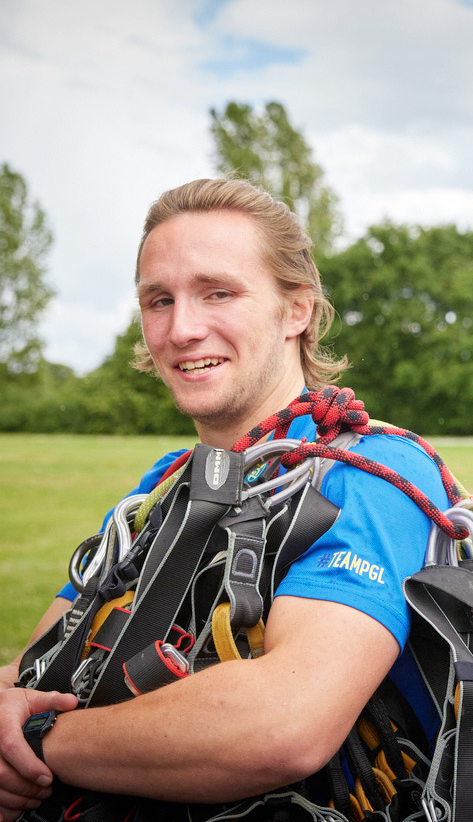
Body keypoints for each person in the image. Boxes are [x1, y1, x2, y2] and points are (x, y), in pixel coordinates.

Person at [0, 178, 449, 821]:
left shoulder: (372, 473)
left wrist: (37, 747)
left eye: (219, 293)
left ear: (296, 310)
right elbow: (43, 660)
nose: (182, 328)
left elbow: (286, 723)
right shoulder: (163, 483)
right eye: (159, 300)